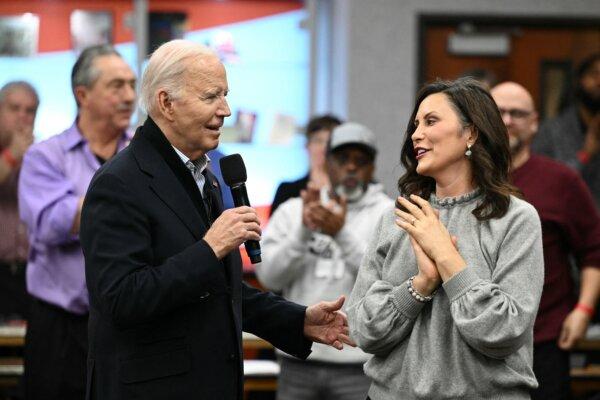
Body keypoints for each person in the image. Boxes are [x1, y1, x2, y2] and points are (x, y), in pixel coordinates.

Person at [79, 39, 353, 400]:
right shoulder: (119, 182)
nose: (225, 109)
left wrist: (297, 320)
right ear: (166, 103)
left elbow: (218, 292)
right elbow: (122, 299)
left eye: (225, 95)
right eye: (211, 97)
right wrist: (210, 248)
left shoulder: (205, 176)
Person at [347, 78, 544, 399]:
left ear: (471, 132)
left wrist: (447, 257)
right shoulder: (396, 217)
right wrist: (421, 284)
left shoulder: (516, 219)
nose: (415, 134)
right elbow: (363, 330)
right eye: (415, 125)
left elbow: (505, 332)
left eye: (431, 121)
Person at [18, 45, 136, 400]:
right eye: (116, 86)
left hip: (127, 324)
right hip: (61, 328)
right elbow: (50, 226)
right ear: (82, 94)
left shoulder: (141, 155)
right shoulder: (45, 156)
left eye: (132, 85)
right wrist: (115, 196)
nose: (130, 96)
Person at [256, 122, 392, 400]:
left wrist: (339, 234)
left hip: (359, 364)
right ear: (327, 162)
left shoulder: (388, 214)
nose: (351, 168)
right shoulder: (294, 210)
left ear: (372, 167)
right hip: (298, 359)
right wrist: (304, 231)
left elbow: (389, 282)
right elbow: (269, 278)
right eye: (343, 159)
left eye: (361, 161)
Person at [491, 81, 600, 400]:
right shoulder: (463, 179)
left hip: (544, 341)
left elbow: (593, 251)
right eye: (499, 112)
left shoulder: (561, 181)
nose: (508, 120)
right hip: (474, 341)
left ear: (535, 122)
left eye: (518, 113)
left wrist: (583, 309)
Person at [533, 53, 600, 207]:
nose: (599, 81)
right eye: (594, 74)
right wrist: (586, 154)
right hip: (566, 220)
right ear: (580, 80)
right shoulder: (551, 130)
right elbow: (544, 182)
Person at [0, 81, 37, 324]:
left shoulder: (42, 153)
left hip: (30, 273)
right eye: (15, 109)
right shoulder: (15, 151)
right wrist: (13, 154)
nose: (22, 116)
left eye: (30, 110)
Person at [270, 114, 341, 215]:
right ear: (307, 146)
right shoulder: (287, 190)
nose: (324, 148)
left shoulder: (349, 190)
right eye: (318, 141)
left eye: (330, 142)